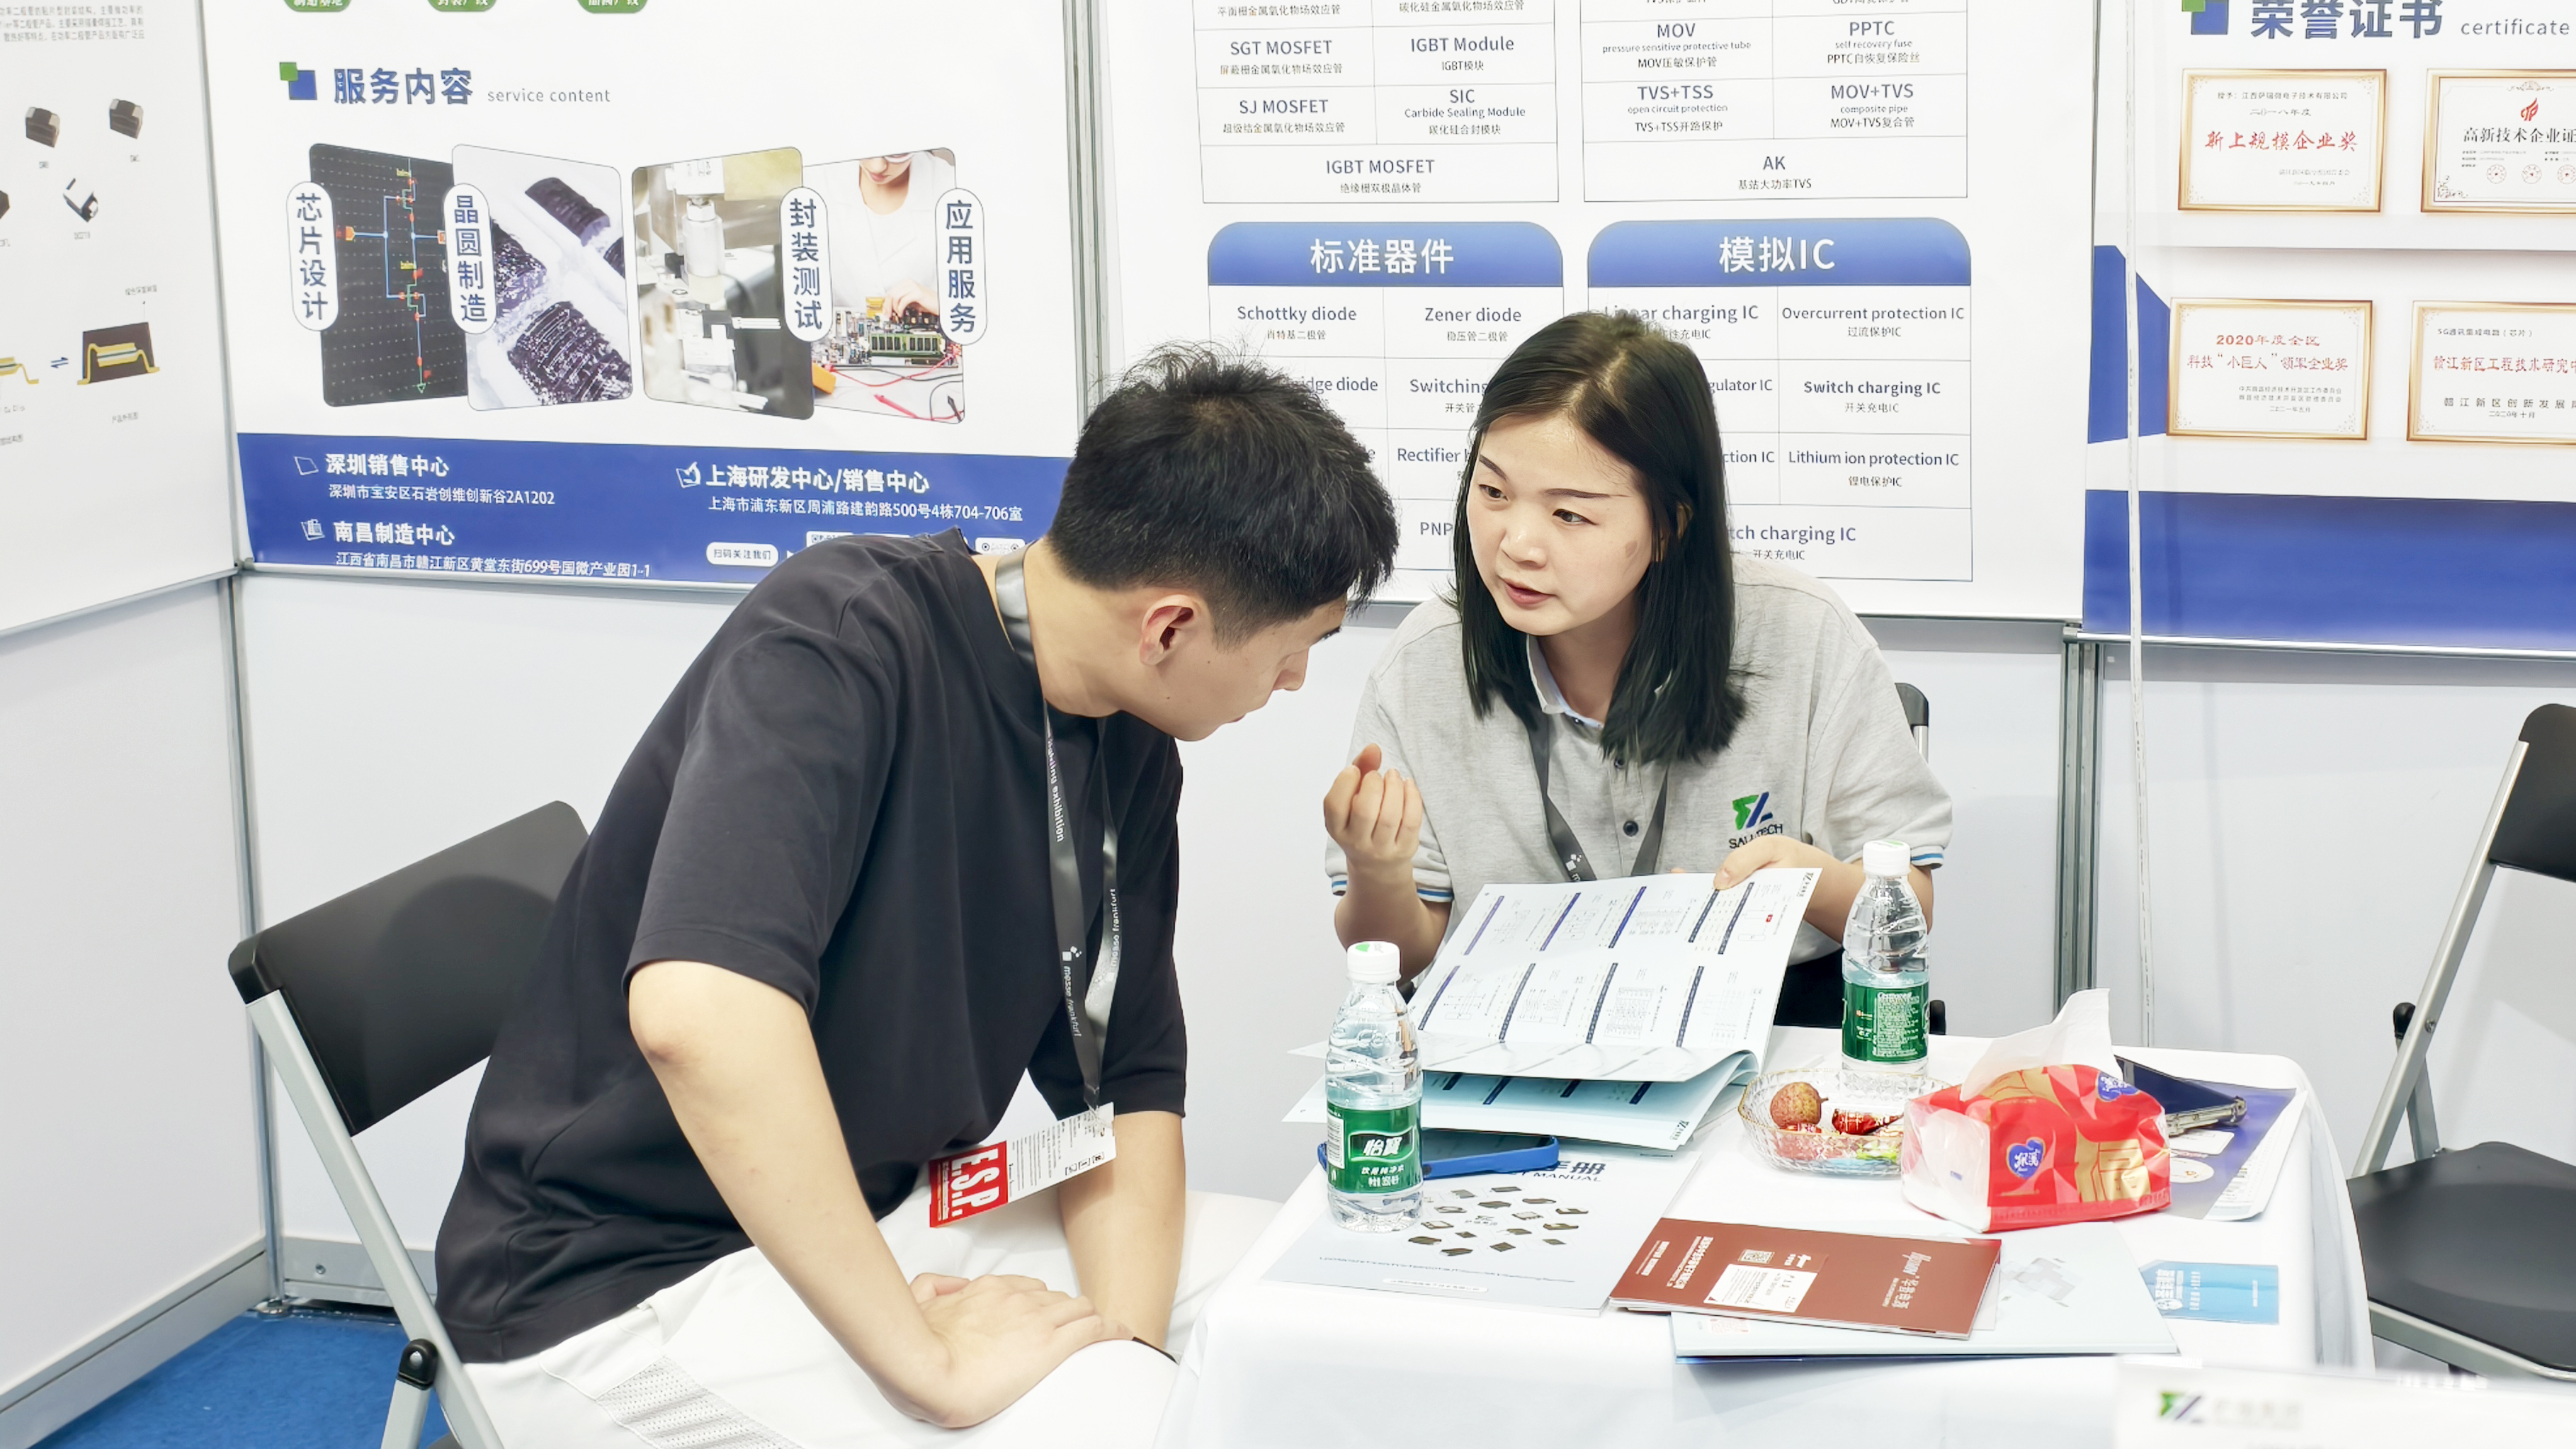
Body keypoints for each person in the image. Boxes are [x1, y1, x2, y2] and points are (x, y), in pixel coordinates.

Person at [434, 347, 1399, 1446]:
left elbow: (1123, 1088)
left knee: (1324, 1298)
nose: (1293, 682)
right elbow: (697, 1017)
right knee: (1137, 1422)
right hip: (619, 1289)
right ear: (1169, 627)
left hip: (890, 1212)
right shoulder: (838, 639)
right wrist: (934, 1366)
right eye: (1293, 650)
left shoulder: (1128, 740)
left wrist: (1120, 1339)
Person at [1321, 312, 1950, 1025]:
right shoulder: (1425, 661)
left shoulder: (1801, 634)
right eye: (1493, 493)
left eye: (1568, 514)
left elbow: (1910, 907)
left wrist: (1813, 882)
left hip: (1771, 1017)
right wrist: (1375, 869)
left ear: (1667, 527)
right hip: (1522, 1020)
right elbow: (1399, 958)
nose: (1516, 544)